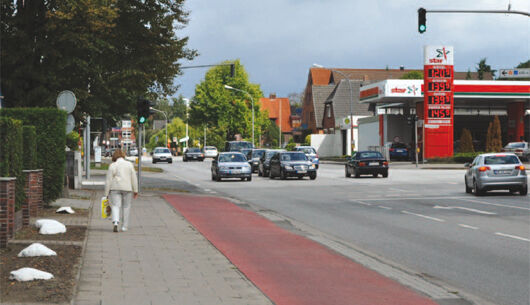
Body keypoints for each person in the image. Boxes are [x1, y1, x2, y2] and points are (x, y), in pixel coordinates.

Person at [104, 149, 138, 232]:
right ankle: (124, 226)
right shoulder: (129, 164)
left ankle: (115, 222)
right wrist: (135, 190)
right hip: (127, 188)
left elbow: (108, 180)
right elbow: (134, 178)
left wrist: (106, 193)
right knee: (126, 207)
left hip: (115, 188)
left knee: (116, 205)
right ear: (123, 155)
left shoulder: (112, 165)